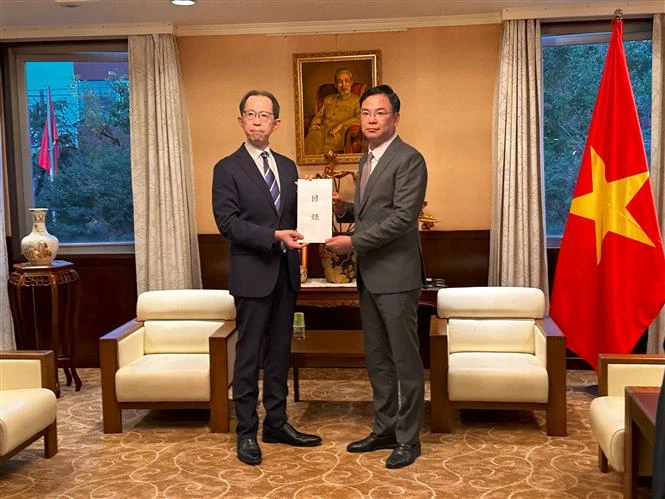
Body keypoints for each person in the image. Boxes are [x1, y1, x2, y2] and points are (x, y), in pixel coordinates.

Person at [212, 89, 322, 466]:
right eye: (250, 114)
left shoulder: (288, 167)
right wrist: (272, 237)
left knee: (279, 353)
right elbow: (227, 224)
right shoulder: (226, 168)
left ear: (276, 123)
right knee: (248, 357)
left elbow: (298, 218)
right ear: (240, 120)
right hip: (252, 275)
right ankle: (246, 432)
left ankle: (277, 423)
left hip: (286, 276)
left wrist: (316, 197)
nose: (257, 121)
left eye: (264, 116)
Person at [325, 84, 428, 469]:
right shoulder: (367, 160)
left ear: (395, 118)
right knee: (378, 359)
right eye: (366, 112)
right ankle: (384, 428)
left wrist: (351, 243)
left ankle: (408, 438)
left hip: (398, 276)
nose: (371, 119)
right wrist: (346, 207)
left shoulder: (409, 159)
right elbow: (376, 212)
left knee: (405, 360)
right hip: (370, 276)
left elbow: (402, 218)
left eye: (379, 113)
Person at [304, 68, 361, 155]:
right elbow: (319, 115)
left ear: (351, 82)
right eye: (340, 82)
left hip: (340, 135)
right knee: (313, 136)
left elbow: (360, 117)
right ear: (335, 84)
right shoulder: (329, 98)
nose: (343, 85)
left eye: (347, 81)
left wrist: (341, 125)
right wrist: (314, 124)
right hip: (322, 132)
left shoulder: (357, 100)